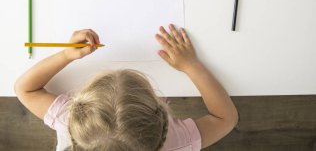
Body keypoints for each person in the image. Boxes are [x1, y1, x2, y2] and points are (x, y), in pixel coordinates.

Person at [14, 25, 238, 150]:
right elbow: (224, 118)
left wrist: (65, 54)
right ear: (161, 116)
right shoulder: (176, 143)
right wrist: (192, 66)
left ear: (76, 111)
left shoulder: (67, 121)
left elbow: (25, 89)